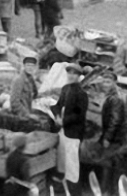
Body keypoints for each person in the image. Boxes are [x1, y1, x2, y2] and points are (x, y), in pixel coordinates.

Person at [51, 64, 88, 196]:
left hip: (73, 133)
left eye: (74, 74)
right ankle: (62, 190)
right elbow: (58, 105)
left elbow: (79, 115)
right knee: (62, 162)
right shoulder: (65, 89)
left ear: (79, 76)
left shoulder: (82, 94)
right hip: (63, 132)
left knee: (72, 165)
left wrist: (64, 121)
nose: (71, 76)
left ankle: (75, 192)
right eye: (69, 73)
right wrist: (56, 115)